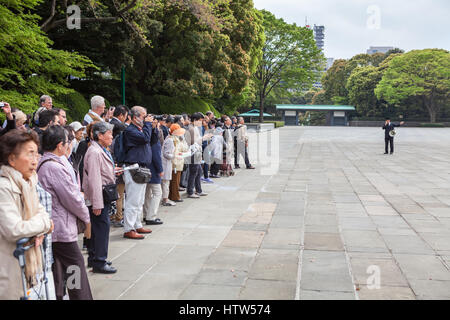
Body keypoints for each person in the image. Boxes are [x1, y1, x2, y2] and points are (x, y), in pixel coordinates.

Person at [37, 125, 93, 299]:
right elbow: (72, 199)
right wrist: (86, 218)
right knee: (74, 266)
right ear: (60, 145)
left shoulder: (46, 161)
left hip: (56, 226)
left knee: (60, 268)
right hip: (60, 228)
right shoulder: (53, 166)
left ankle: (62, 295)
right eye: (68, 142)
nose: (70, 145)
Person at [0, 129, 54, 300]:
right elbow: (14, 229)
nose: (35, 160)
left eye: (36, 154)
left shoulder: (28, 183)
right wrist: (43, 226)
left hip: (24, 266)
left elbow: (42, 213)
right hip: (8, 267)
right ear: (11, 159)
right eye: (30, 154)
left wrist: (38, 227)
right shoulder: (4, 187)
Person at [82, 122, 118, 273]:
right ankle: (99, 261)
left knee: (98, 228)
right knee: (101, 228)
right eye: (109, 133)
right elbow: (94, 179)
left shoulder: (99, 149)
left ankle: (96, 258)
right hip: (99, 197)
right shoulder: (95, 152)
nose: (111, 136)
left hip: (101, 195)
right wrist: (97, 203)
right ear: (100, 135)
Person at [121, 106, 154, 239]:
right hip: (133, 167)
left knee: (139, 200)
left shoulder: (141, 129)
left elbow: (152, 139)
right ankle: (129, 228)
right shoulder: (130, 130)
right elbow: (145, 138)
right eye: (143, 116)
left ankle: (137, 224)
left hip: (142, 167)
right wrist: (148, 125)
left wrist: (153, 127)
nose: (146, 119)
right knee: (133, 200)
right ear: (135, 117)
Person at [143, 119, 164, 223]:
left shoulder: (146, 141)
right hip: (154, 171)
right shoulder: (155, 142)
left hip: (145, 170)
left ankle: (146, 214)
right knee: (157, 193)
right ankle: (151, 216)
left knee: (146, 193)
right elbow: (157, 157)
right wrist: (160, 170)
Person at [187, 112, 211, 198]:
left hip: (196, 152)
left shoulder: (195, 127)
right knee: (193, 172)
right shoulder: (191, 128)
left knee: (198, 171)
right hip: (193, 152)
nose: (201, 122)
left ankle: (198, 190)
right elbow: (192, 142)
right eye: (200, 121)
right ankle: (190, 191)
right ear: (195, 120)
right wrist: (204, 138)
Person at [168, 124, 189, 203]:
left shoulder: (177, 139)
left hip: (178, 162)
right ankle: (175, 196)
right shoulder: (173, 140)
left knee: (175, 180)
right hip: (176, 162)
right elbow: (182, 149)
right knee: (175, 181)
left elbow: (185, 148)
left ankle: (173, 195)